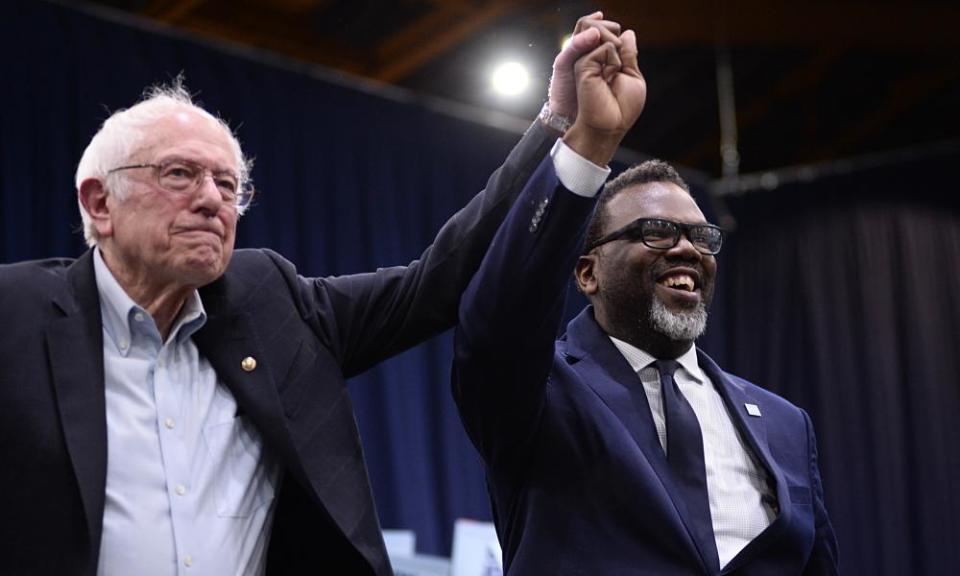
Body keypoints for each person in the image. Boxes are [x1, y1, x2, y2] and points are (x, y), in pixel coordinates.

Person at [0, 13, 624, 575]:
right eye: (179, 174)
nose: (213, 199)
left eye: (228, 184)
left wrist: (559, 124)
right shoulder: (16, 313)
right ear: (99, 202)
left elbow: (437, 280)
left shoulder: (270, 302)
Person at [452, 31, 840, 576]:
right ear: (587, 272)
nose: (687, 248)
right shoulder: (540, 388)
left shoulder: (784, 423)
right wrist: (591, 140)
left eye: (702, 236)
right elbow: (496, 317)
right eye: (657, 231)